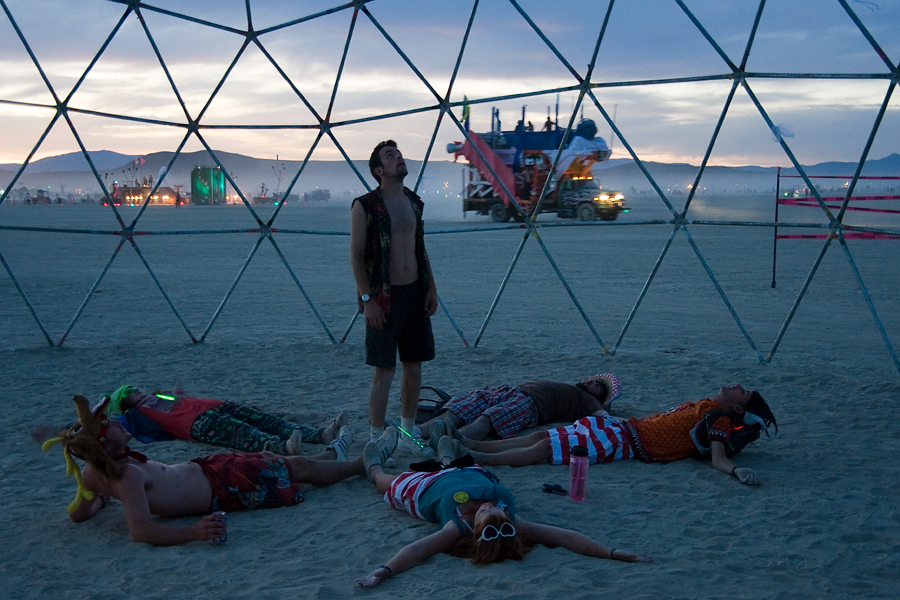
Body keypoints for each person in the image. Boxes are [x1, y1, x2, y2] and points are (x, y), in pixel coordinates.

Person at [42, 395, 398, 546]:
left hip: (205, 471)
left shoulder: (95, 474)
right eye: (111, 423)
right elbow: (142, 531)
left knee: (281, 462)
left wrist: (100, 501)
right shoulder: (128, 476)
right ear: (106, 442)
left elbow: (78, 512)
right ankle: (360, 465)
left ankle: (334, 457)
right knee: (295, 468)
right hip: (219, 487)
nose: (119, 423)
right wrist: (194, 532)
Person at [356, 439, 652, 588]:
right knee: (452, 457)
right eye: (497, 510)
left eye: (487, 513)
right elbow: (565, 537)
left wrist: (383, 571)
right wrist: (612, 552)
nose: (491, 506)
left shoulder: (456, 528)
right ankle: (446, 451)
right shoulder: (513, 520)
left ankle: (372, 466)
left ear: (476, 529)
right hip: (468, 471)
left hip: (422, 489)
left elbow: (416, 550)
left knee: (383, 483)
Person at [438, 384, 777, 486]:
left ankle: (477, 457)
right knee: (549, 434)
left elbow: (718, 458)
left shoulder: (718, 418)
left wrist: (736, 470)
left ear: (737, 409)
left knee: (547, 447)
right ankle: (472, 443)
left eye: (742, 392)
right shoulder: (705, 404)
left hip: (628, 443)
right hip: (624, 427)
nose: (736, 386)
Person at [350, 140, 439, 457]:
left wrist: (431, 288)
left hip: (414, 294)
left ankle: (407, 431)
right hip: (383, 299)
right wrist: (367, 299)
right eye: (391, 156)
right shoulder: (365, 206)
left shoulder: (414, 202)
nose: (399, 158)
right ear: (378, 170)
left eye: (399, 154)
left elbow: (419, 249)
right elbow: (357, 257)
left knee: (414, 367)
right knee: (384, 369)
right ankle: (375, 436)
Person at [96, 384, 350, 458]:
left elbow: (176, 397)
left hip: (212, 406)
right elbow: (110, 424)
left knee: (264, 420)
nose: (138, 392)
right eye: (131, 393)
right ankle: (282, 448)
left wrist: (171, 392)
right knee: (243, 433)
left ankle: (318, 435)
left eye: (135, 389)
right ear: (126, 403)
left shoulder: (156, 397)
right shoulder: (135, 416)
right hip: (197, 424)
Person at [421, 373, 621, 442]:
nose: (589, 381)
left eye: (596, 384)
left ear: (600, 395)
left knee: (489, 419)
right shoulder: (574, 390)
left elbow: (605, 418)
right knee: (461, 408)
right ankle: (413, 432)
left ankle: (448, 443)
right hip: (510, 391)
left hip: (531, 405)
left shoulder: (588, 401)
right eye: (591, 379)